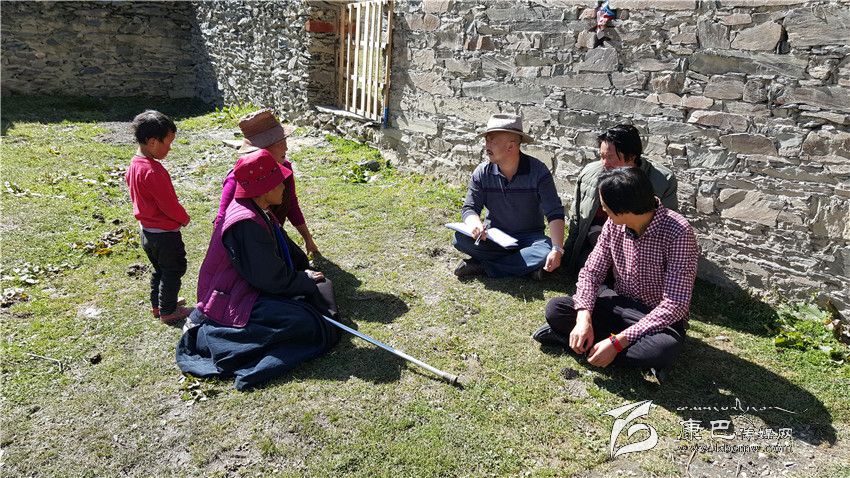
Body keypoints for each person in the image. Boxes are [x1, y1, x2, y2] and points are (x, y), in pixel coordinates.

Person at [177, 150, 340, 390]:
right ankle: (213, 338)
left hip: (253, 285)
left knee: (322, 289)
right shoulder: (246, 222)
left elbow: (280, 257)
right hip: (236, 296)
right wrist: (303, 280)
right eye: (278, 182)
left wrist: (304, 273)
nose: (283, 186)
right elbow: (270, 278)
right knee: (307, 323)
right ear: (263, 189)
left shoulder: (258, 209)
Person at [532, 167, 699, 382]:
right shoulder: (613, 224)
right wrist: (583, 318)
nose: (602, 209)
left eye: (605, 205)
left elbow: (675, 305)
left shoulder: (678, 231)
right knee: (556, 309)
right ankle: (622, 355)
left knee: (664, 348)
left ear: (624, 208)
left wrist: (618, 342)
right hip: (618, 304)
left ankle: (575, 342)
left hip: (655, 317)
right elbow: (591, 272)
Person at [452, 114, 565, 279]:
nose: (486, 146)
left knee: (546, 250)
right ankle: (524, 267)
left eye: (492, 141)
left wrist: (557, 249)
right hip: (494, 238)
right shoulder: (482, 173)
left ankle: (483, 267)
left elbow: (554, 212)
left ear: (511, 147)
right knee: (459, 239)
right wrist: (475, 224)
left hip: (530, 238)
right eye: (486, 140)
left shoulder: (538, 172)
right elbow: (469, 208)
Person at [564, 124, 677, 275]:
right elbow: (577, 220)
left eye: (610, 157)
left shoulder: (662, 181)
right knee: (588, 266)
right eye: (602, 156)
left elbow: (666, 226)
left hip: (641, 254)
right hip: (597, 246)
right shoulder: (589, 174)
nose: (605, 163)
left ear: (632, 156)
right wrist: (567, 255)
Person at [216, 108, 318, 271]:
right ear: (262, 150)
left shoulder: (285, 168)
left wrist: (308, 239)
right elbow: (223, 219)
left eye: (284, 140)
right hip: (249, 242)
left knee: (300, 262)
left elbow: (291, 203)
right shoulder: (238, 178)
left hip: (273, 232)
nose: (286, 147)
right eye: (279, 142)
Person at [125, 110, 192, 324]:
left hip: (146, 231)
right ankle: (168, 310)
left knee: (160, 269)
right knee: (174, 269)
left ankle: (159, 304)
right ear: (153, 142)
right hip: (164, 234)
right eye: (168, 143)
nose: (170, 148)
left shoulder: (134, 165)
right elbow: (168, 205)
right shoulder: (153, 172)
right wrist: (183, 218)